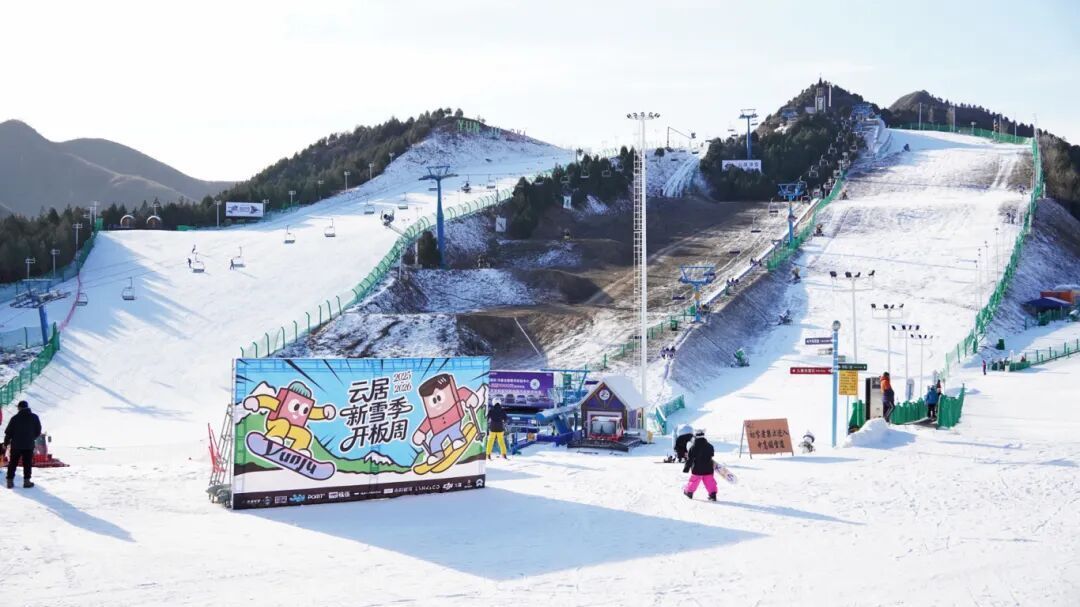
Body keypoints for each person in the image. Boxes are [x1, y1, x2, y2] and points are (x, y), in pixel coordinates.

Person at [4, 401, 42, 489]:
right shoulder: (34, 417)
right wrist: (32, 438)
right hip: (28, 445)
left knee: (13, 463)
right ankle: (27, 482)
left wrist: (6, 443)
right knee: (27, 463)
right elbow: (38, 431)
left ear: (19, 408)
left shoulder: (15, 418)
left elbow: (8, 433)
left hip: (16, 445)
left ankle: (10, 482)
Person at [682, 430, 717, 501]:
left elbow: (690, 459)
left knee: (694, 481)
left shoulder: (693, 447)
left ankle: (689, 492)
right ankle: (713, 494)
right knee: (710, 481)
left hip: (697, 469)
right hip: (708, 468)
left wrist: (686, 468)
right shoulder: (710, 446)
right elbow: (712, 455)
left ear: (696, 437)